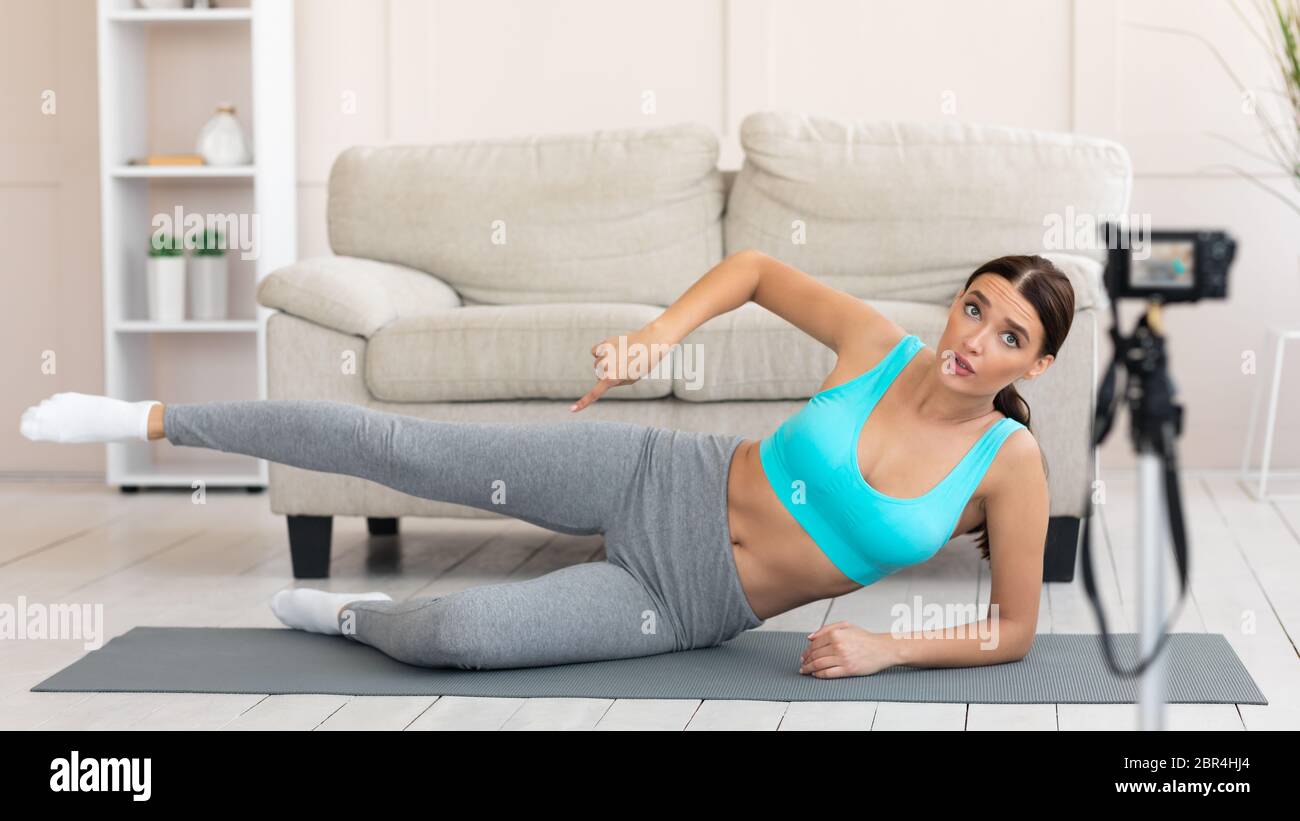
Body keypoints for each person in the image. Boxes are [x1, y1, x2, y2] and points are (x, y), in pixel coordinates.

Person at [20, 250, 1068, 678]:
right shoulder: (875, 345)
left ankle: (338, 614)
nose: (974, 337)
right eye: (974, 306)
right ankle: (145, 413)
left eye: (1008, 334)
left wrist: (888, 649)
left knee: (455, 635)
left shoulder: (1007, 460)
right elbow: (751, 269)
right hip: (659, 474)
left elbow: (1013, 628)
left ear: (1038, 360)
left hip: (682, 597)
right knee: (403, 447)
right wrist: (656, 337)